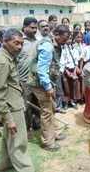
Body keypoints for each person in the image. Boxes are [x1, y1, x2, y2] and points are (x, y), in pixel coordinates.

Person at [0, 28, 34, 172]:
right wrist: (8, 119)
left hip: (13, 105)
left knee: (10, 139)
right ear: (4, 42)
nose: (19, 47)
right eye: (16, 43)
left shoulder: (7, 57)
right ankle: (26, 169)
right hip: (10, 109)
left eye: (21, 43)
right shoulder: (2, 62)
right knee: (19, 143)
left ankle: (5, 165)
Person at [26, 22, 67, 151]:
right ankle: (48, 142)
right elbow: (42, 70)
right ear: (56, 35)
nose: (65, 42)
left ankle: (52, 134)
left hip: (46, 82)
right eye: (64, 39)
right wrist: (48, 87)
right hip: (40, 84)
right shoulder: (47, 47)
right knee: (47, 112)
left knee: (52, 108)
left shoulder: (52, 44)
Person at [17, 17, 39, 133]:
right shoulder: (19, 42)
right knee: (26, 106)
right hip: (23, 81)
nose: (35, 30)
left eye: (36, 28)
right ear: (24, 27)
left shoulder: (38, 41)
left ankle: (37, 125)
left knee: (37, 103)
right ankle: (26, 129)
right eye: (32, 28)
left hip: (36, 80)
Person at [60, 36, 82, 109]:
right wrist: (67, 72)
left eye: (70, 39)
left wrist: (75, 72)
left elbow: (76, 62)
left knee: (73, 87)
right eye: (67, 39)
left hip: (73, 70)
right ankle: (66, 102)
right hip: (66, 70)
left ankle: (73, 102)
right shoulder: (62, 49)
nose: (69, 40)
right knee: (66, 88)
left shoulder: (74, 49)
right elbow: (62, 63)